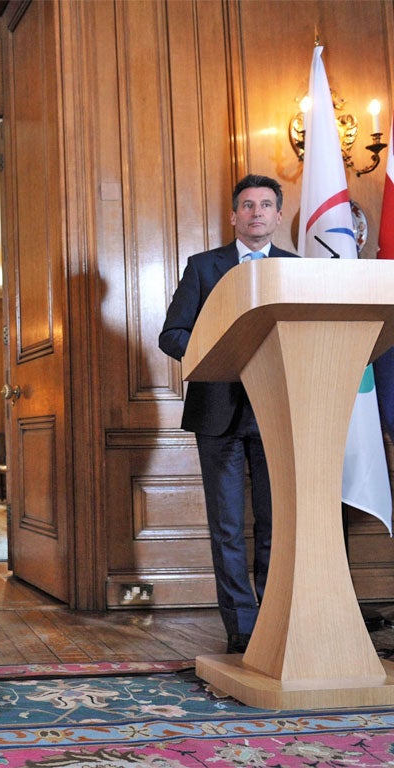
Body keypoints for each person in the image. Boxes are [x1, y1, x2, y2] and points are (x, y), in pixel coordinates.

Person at [159, 173, 297, 655]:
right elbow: (172, 334)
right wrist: (220, 351)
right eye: (247, 205)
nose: (256, 212)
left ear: (278, 215)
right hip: (217, 411)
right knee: (228, 526)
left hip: (278, 413)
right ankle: (243, 627)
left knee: (276, 522)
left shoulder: (296, 269)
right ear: (234, 215)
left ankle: (277, 616)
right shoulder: (203, 267)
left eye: (265, 205)